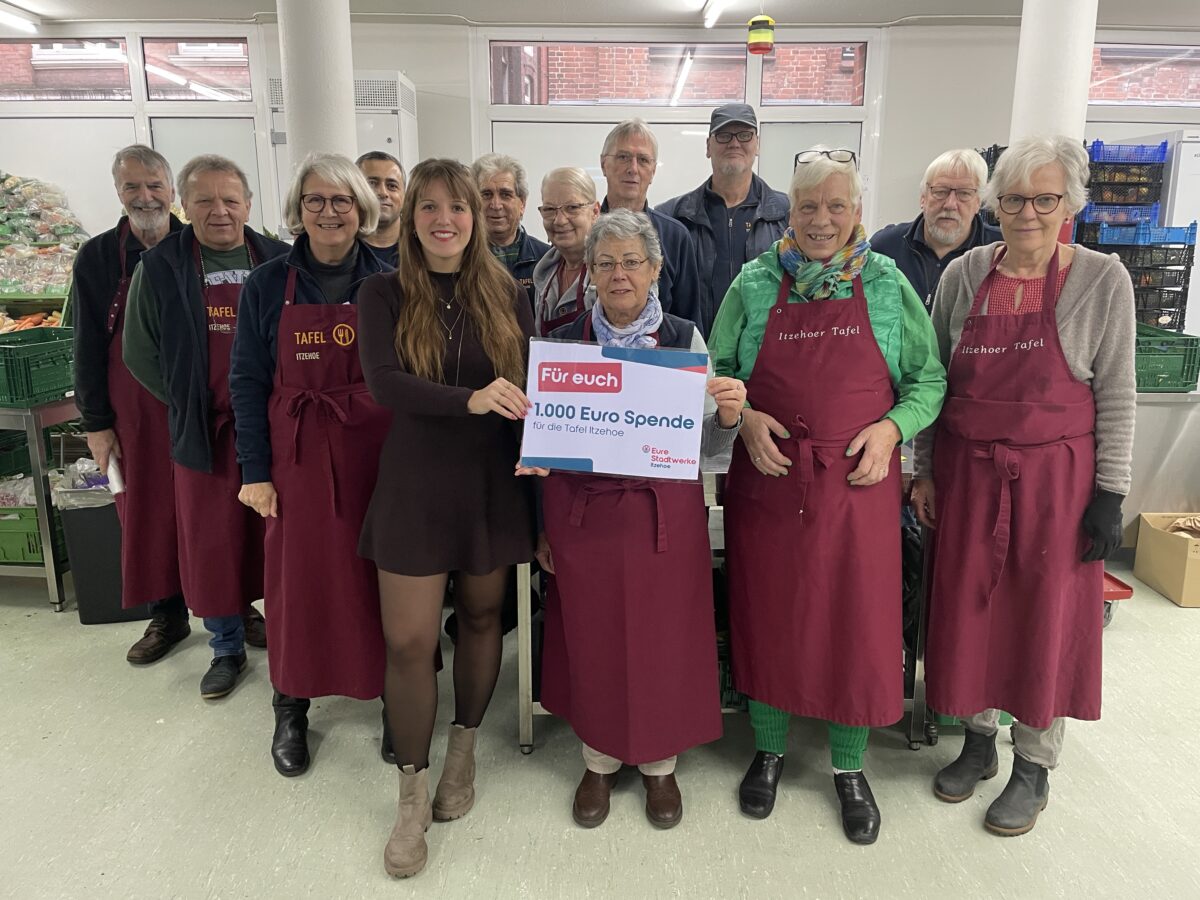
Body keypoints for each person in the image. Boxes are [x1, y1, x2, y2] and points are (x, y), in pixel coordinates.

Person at [709, 146, 946, 845]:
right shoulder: (753, 285)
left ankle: (848, 767)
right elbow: (716, 372)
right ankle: (771, 750)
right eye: (807, 206)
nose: (820, 220)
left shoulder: (885, 284)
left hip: (857, 488)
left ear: (857, 213)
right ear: (790, 210)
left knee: (857, 625)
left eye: (835, 206)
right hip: (771, 484)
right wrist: (744, 417)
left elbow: (928, 382)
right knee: (769, 615)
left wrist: (891, 432)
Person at [911, 135, 1136, 838]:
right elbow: (935, 382)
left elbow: (1119, 394)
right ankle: (977, 741)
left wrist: (1111, 493)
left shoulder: (1103, 280)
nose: (1029, 213)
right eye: (1015, 199)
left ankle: (1034, 764)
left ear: (1070, 204)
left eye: (1045, 199)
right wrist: (924, 469)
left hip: (1057, 482)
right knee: (973, 610)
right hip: (970, 472)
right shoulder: (965, 274)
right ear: (994, 206)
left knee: (1046, 620)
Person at [518, 209, 744, 830]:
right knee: (592, 636)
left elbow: (707, 454)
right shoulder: (561, 344)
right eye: (606, 262)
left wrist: (725, 418)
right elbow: (543, 449)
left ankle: (659, 766)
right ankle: (598, 758)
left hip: (661, 516)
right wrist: (541, 523)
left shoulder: (683, 339)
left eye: (632, 262)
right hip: (581, 516)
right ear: (589, 272)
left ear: (656, 268)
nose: (619, 274)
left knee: (662, 640)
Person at [356, 158, 535, 878]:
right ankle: (411, 792)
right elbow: (382, 382)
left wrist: (545, 447)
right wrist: (468, 399)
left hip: (493, 480)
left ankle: (463, 750)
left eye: (456, 207)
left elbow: (530, 385)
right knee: (408, 642)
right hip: (416, 484)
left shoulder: (507, 291)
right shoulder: (382, 293)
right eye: (428, 207)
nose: (443, 219)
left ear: (477, 217)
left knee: (486, 620)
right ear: (410, 218)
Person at [229, 153, 394, 777]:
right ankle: (290, 704)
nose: (329, 212)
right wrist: (254, 470)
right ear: (298, 210)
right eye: (317, 200)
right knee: (294, 583)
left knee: (376, 577)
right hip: (294, 457)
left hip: (375, 457)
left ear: (363, 210)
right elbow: (245, 380)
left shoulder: (389, 278)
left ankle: (390, 698)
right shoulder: (267, 283)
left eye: (342, 200)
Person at [123, 154, 288, 699]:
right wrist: (189, 402)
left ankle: (276, 629)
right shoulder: (162, 267)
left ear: (248, 204)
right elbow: (140, 352)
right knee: (210, 541)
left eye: (230, 199)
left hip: (272, 429)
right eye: (204, 200)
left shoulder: (281, 260)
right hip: (205, 431)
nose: (219, 211)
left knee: (274, 537)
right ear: (183, 205)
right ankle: (225, 647)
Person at [70, 145, 189, 665]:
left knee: (209, 504)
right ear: (118, 193)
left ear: (171, 190)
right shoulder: (97, 257)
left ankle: (231, 604)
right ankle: (168, 614)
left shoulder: (198, 245)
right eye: (132, 187)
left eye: (154, 185)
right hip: (130, 412)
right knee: (146, 511)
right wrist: (96, 423)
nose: (145, 197)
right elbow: (86, 346)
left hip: (195, 400)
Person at [657, 104, 789, 335]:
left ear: (757, 144)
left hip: (763, 359)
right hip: (695, 355)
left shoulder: (787, 215)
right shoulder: (672, 219)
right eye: (723, 135)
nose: (734, 143)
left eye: (744, 135)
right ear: (708, 146)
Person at [599, 118, 702, 326]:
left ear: (653, 171)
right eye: (623, 157)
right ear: (604, 165)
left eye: (643, 160)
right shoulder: (585, 231)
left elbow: (689, 324)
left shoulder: (676, 237)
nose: (633, 168)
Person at [870, 149, 1001, 312]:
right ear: (923, 198)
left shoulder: (1000, 251)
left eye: (964, 193)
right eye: (940, 192)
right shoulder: (885, 247)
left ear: (977, 202)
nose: (950, 204)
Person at [471, 152, 550, 306]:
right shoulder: (460, 259)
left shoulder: (546, 259)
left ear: (522, 204)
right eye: (486, 194)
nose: (496, 205)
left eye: (505, 195)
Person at [530, 166, 600, 337]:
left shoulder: (610, 271)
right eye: (549, 209)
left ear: (595, 212)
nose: (559, 220)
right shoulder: (544, 274)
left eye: (572, 208)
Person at [357, 151, 405, 269]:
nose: (383, 193)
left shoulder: (425, 247)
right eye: (372, 184)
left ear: (405, 195)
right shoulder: (340, 249)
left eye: (392, 186)